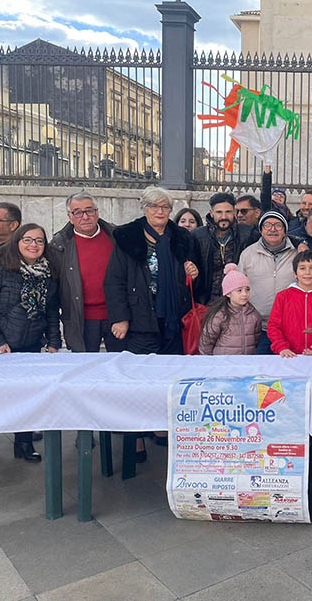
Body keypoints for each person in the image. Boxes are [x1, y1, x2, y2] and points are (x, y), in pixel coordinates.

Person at [104, 187, 199, 461]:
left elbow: (195, 278)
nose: (160, 211)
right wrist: (120, 317)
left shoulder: (181, 237)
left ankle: (160, 428)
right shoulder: (127, 237)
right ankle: (136, 438)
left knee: (168, 379)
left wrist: (193, 271)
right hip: (139, 319)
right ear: (144, 208)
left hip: (172, 319)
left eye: (165, 207)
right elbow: (114, 280)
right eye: (155, 206)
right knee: (139, 382)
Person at [0, 223, 62, 466]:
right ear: (17, 242)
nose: (33, 245)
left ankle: (24, 443)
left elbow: (51, 312)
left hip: (29, 345)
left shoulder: (48, 274)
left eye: (39, 241)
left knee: (25, 397)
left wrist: (54, 341)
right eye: (27, 239)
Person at [50, 192, 123, 354]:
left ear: (97, 213)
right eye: (78, 212)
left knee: (120, 366)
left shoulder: (117, 237)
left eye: (89, 211)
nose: (85, 216)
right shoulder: (58, 245)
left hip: (116, 317)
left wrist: (124, 316)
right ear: (70, 217)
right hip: (80, 319)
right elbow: (53, 292)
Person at [238, 211, 298, 354]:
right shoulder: (248, 254)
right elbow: (239, 287)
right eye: (267, 225)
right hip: (257, 326)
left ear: (285, 230)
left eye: (278, 225)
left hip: (289, 326)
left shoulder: (297, 253)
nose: (273, 229)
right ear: (261, 230)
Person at [192, 192, 254, 305]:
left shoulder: (247, 234)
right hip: (206, 302)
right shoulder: (198, 236)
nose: (224, 217)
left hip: (238, 303)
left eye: (228, 212)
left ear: (235, 212)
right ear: (211, 213)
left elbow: (272, 236)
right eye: (219, 212)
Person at [267, 250, 312, 357]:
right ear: (295, 273)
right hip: (288, 355)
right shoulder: (283, 296)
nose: (307, 272)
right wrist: (282, 347)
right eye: (302, 268)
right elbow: (273, 326)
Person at [199, 264, 263, 355]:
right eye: (239, 290)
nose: (244, 294)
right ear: (228, 293)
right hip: (223, 364)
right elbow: (206, 343)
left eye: (247, 289)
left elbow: (256, 339)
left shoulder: (254, 315)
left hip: (246, 363)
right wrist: (210, 362)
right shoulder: (219, 316)